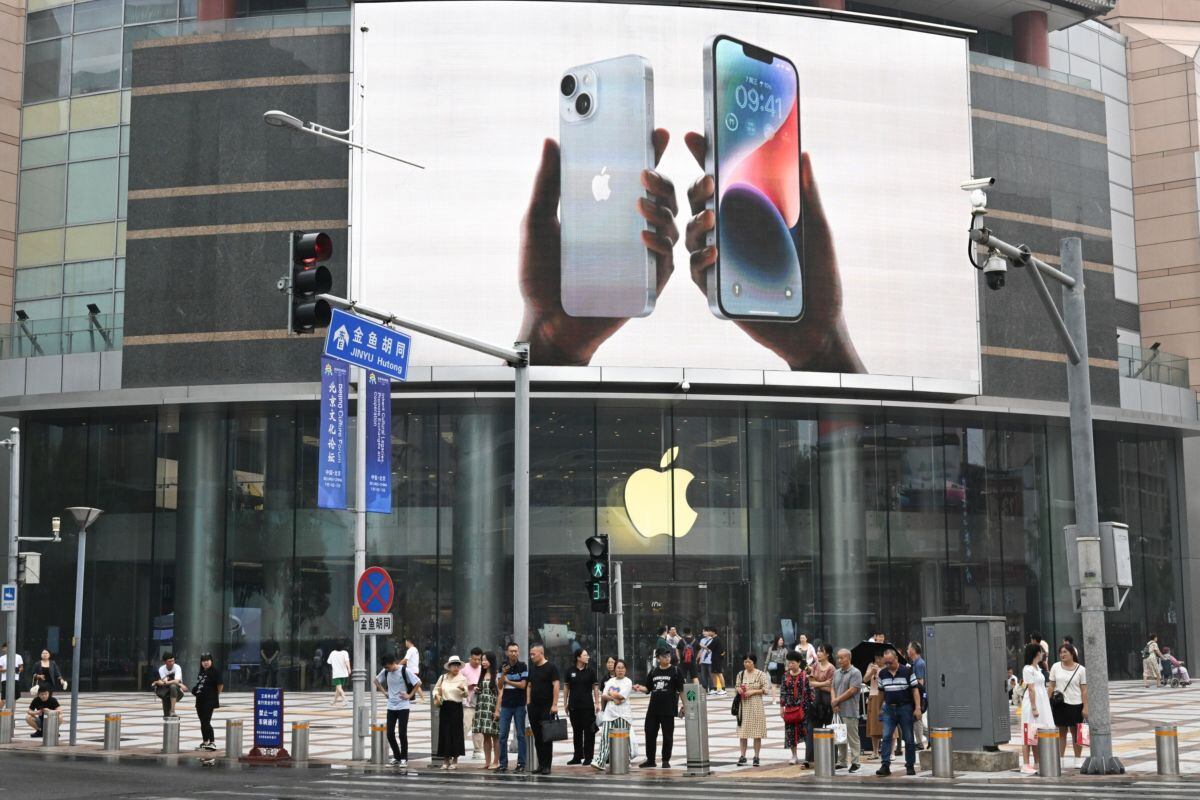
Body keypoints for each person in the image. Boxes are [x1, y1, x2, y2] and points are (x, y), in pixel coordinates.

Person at [634, 648, 684, 769]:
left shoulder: (676, 671)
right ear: (658, 658)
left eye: (668, 655)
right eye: (664, 656)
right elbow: (648, 688)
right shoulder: (653, 671)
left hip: (668, 708)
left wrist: (685, 706)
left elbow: (681, 690)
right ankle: (650, 760)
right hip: (653, 709)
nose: (667, 657)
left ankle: (665, 760)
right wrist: (639, 688)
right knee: (649, 733)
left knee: (667, 735)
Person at [875, 648, 922, 777]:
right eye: (886, 663)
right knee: (886, 737)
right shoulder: (883, 674)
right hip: (889, 709)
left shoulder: (907, 671)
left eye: (890, 662)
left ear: (896, 659)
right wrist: (879, 708)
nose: (888, 665)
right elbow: (881, 692)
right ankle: (885, 765)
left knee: (908, 738)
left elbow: (915, 690)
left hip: (905, 708)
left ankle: (910, 765)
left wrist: (917, 707)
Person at [375, 652, 421, 766]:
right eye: (385, 667)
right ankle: (397, 756)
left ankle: (404, 758)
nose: (387, 669)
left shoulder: (404, 670)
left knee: (402, 733)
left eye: (388, 667)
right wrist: (384, 692)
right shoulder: (386, 671)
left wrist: (409, 696)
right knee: (389, 733)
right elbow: (376, 681)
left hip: (403, 706)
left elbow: (418, 682)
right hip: (391, 706)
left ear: (393, 663)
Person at [1048, 643, 1087, 768]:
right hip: (1060, 704)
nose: (1062, 654)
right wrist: (1047, 702)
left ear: (1072, 653)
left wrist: (1086, 707)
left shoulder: (1081, 669)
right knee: (1061, 733)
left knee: (1076, 734)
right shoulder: (1055, 666)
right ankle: (1060, 759)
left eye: (1065, 652)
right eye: (1061, 652)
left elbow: (1084, 690)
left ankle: (1077, 760)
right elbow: (1051, 686)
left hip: (1076, 704)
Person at [592, 658, 636, 770]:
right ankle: (600, 761)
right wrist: (613, 697)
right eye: (618, 668)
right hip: (609, 714)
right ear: (615, 669)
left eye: (622, 668)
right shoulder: (610, 681)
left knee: (623, 739)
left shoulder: (628, 681)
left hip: (623, 715)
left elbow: (622, 697)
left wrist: (611, 693)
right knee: (605, 738)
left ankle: (626, 760)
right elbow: (604, 696)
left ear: (625, 669)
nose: (620, 670)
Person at [1020, 642, 1055, 773]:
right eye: (1040, 651)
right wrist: (1034, 707)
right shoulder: (1028, 669)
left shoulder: (1038, 668)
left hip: (1041, 701)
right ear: (1036, 653)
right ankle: (1025, 764)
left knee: (1036, 732)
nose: (1042, 654)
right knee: (1028, 731)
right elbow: (1031, 689)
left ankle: (1036, 762)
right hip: (1032, 703)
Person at [526, 643, 561, 775]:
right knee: (537, 737)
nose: (531, 656)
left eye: (533, 654)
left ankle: (547, 765)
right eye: (530, 654)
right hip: (533, 707)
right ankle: (541, 765)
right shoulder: (533, 668)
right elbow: (529, 685)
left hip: (546, 707)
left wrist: (555, 704)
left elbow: (556, 685)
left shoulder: (551, 667)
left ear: (541, 653)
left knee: (546, 737)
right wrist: (528, 703)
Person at [495, 642, 529, 774]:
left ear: (518, 652)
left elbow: (522, 685)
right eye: (511, 651)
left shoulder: (523, 666)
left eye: (515, 651)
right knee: (502, 735)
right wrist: (503, 674)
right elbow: (499, 685)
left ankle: (521, 763)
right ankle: (503, 764)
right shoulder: (502, 666)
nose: (513, 653)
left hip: (519, 704)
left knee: (520, 735)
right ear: (507, 652)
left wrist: (507, 681)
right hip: (506, 705)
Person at [564, 647, 599, 765]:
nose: (587, 657)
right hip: (574, 706)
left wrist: (597, 703)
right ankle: (577, 756)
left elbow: (595, 688)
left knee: (589, 732)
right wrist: (565, 703)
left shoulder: (591, 671)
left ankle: (589, 757)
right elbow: (566, 688)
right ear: (578, 657)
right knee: (576, 732)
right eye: (585, 655)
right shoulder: (570, 671)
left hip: (587, 706)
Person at [433, 655, 469, 769]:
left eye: (457, 665)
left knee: (456, 733)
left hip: (456, 707)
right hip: (445, 706)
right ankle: (445, 760)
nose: (456, 668)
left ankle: (455, 759)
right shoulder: (443, 677)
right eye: (453, 665)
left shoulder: (462, 678)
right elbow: (436, 689)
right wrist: (437, 695)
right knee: (444, 733)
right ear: (449, 666)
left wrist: (463, 690)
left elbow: (466, 694)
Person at [734, 654, 770, 766]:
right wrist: (738, 689)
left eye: (749, 661)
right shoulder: (740, 674)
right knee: (742, 733)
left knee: (757, 733)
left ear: (754, 662)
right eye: (745, 661)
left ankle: (756, 756)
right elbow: (736, 686)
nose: (747, 664)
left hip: (756, 705)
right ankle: (743, 755)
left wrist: (753, 691)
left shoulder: (760, 674)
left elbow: (766, 689)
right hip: (743, 706)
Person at [779, 651, 813, 765]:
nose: (790, 665)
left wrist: (811, 706)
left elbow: (810, 692)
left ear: (799, 663)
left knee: (806, 731)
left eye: (793, 663)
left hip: (803, 708)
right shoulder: (785, 675)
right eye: (789, 663)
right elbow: (783, 692)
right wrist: (781, 707)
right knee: (790, 732)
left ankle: (808, 756)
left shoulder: (804, 675)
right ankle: (794, 756)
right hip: (789, 708)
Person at [832, 648, 863, 773]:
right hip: (838, 710)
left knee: (852, 737)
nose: (839, 660)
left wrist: (837, 700)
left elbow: (852, 690)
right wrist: (834, 702)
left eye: (842, 658)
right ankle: (842, 761)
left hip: (850, 710)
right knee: (840, 737)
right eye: (838, 658)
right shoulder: (837, 672)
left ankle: (856, 762)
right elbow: (832, 687)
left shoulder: (855, 672)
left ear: (848, 658)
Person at [804, 643, 835, 768]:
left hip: (828, 702)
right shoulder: (815, 665)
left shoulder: (831, 668)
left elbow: (831, 686)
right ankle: (809, 759)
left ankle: (830, 757)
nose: (818, 653)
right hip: (816, 702)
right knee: (811, 730)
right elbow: (811, 683)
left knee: (830, 730)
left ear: (827, 654)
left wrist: (818, 684)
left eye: (821, 651)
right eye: (817, 650)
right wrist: (824, 683)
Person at [472, 651, 501, 770]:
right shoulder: (482, 674)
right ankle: (487, 762)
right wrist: (477, 689)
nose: (483, 662)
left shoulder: (497, 675)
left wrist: (497, 710)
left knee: (495, 736)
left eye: (485, 660)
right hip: (481, 706)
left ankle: (496, 762)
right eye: (482, 660)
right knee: (486, 736)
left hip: (492, 708)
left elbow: (500, 694)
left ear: (491, 661)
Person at [191, 652, 222, 751]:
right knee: (202, 722)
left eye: (207, 660)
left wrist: (216, 694)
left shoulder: (215, 672)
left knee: (206, 721)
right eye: (203, 661)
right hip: (199, 701)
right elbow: (199, 685)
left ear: (211, 661)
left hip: (209, 701)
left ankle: (212, 742)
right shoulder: (202, 672)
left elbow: (220, 684)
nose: (206, 663)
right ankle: (205, 741)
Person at [461, 648, 483, 760]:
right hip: (467, 703)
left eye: (479, 659)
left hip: (479, 703)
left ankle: (478, 750)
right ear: (470, 657)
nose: (477, 662)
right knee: (465, 726)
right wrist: (468, 686)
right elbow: (458, 682)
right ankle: (458, 748)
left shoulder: (482, 668)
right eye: (475, 659)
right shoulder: (464, 667)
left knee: (478, 728)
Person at [152, 652, 187, 719]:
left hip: (177, 692)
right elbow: (166, 681)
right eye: (169, 661)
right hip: (166, 693)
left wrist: (164, 683)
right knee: (166, 716)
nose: (172, 663)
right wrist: (165, 682)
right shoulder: (161, 669)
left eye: (173, 660)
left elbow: (175, 681)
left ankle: (172, 710)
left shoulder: (177, 667)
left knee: (173, 686)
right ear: (165, 662)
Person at [907, 641, 927, 749]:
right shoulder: (915, 663)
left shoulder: (919, 664)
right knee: (917, 719)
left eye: (908, 649)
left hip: (919, 694)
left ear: (913, 650)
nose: (907, 651)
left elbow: (920, 682)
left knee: (917, 718)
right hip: (916, 694)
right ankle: (930, 738)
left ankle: (920, 743)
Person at [765, 635, 788, 703]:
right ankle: (774, 699)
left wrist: (787, 667)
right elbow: (768, 658)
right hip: (773, 667)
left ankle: (782, 699)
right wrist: (765, 668)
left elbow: (786, 659)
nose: (781, 641)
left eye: (782, 640)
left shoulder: (785, 649)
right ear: (776, 641)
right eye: (780, 640)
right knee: (774, 684)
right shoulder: (771, 648)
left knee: (782, 684)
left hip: (781, 667)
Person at [327, 641, 351, 706]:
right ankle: (334, 701)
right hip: (344, 673)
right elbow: (347, 661)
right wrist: (349, 669)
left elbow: (329, 662)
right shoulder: (345, 653)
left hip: (336, 674)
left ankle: (345, 699)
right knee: (338, 688)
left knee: (339, 688)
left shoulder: (333, 653)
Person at [0, 642, 23, 707]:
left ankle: (11, 716)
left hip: (15, 679)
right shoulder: (2, 658)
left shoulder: (18, 656)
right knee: (4, 699)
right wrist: (8, 669)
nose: (6, 649)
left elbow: (21, 667)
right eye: (4, 648)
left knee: (14, 699)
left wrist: (18, 670)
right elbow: (0, 669)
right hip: (5, 679)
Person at [711, 629, 727, 695]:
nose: (708, 632)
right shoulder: (714, 639)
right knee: (713, 674)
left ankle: (723, 689)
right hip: (714, 659)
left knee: (719, 673)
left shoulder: (716, 639)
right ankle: (715, 688)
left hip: (718, 659)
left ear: (713, 632)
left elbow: (709, 647)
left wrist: (701, 645)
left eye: (709, 631)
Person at [698, 628, 715, 693]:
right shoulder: (702, 640)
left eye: (705, 631)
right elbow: (701, 650)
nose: (703, 633)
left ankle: (711, 689)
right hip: (703, 661)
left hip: (710, 660)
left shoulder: (713, 640)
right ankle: (704, 689)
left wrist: (703, 646)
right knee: (703, 676)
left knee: (711, 675)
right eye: (703, 631)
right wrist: (699, 659)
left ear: (709, 632)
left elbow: (711, 649)